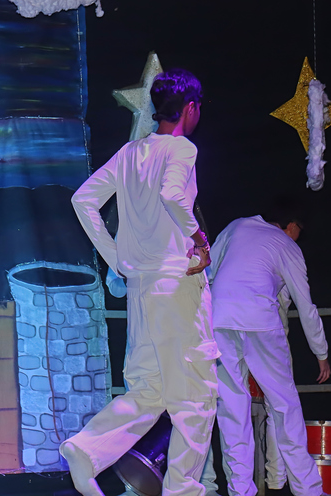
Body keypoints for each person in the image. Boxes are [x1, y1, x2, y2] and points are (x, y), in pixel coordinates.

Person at [61, 68, 217, 496]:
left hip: (142, 290)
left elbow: (83, 199)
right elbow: (172, 195)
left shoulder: (131, 152)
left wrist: (117, 259)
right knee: (196, 396)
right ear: (190, 108)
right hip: (176, 285)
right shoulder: (182, 148)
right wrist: (199, 239)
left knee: (150, 390)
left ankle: (87, 449)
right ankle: (182, 490)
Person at [210, 198, 330, 496]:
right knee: (285, 406)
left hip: (219, 319)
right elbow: (306, 305)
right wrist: (321, 353)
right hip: (261, 322)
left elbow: (208, 270)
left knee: (232, 407)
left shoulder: (236, 226)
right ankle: (309, 490)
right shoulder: (286, 244)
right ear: (292, 226)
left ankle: (240, 490)